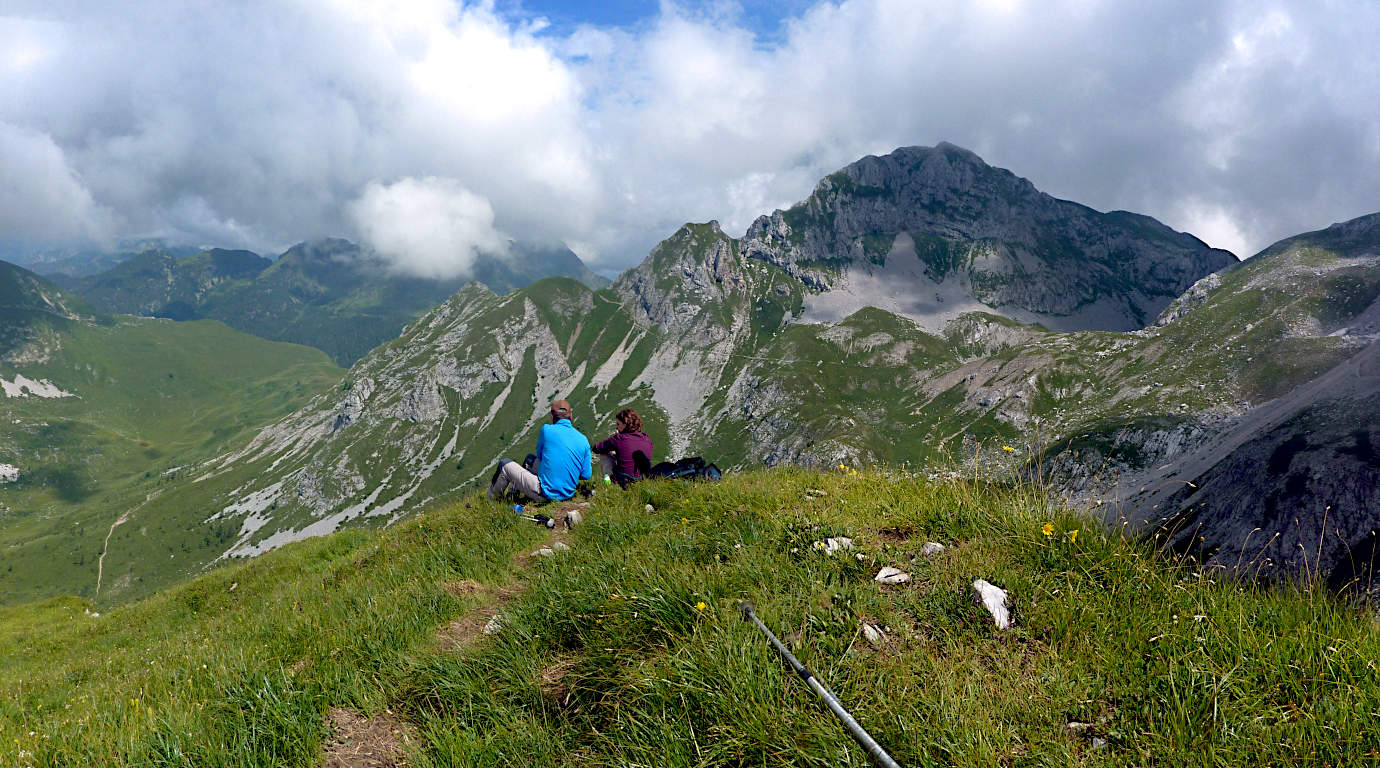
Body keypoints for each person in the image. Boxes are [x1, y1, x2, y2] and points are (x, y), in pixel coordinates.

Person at [488, 399, 591, 502]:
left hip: (545, 493)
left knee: (504, 465)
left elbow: (541, 456)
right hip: (568, 494)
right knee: (529, 459)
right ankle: (513, 495)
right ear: (571, 416)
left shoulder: (547, 430)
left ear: (552, 416)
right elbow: (586, 475)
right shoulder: (583, 439)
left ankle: (491, 502)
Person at [592, 408, 654, 486]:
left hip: (624, 482)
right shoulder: (647, 438)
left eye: (618, 424)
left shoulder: (619, 438)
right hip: (643, 480)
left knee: (604, 454)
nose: (616, 427)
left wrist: (611, 447)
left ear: (625, 424)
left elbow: (596, 448)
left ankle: (608, 485)